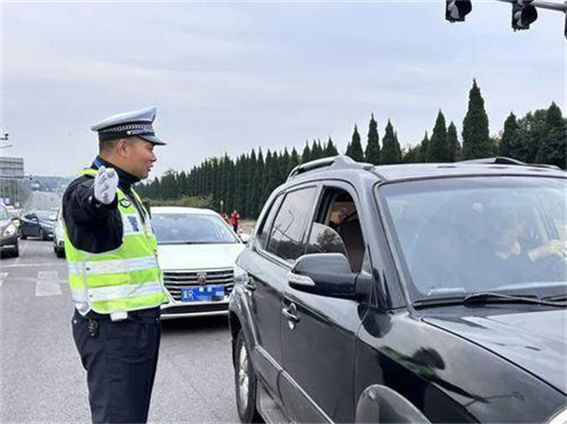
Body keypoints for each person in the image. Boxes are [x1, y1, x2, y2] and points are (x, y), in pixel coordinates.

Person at [62, 106, 169, 424]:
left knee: (132, 417)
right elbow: (87, 209)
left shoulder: (127, 193)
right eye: (149, 147)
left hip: (136, 327)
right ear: (123, 147)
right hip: (112, 330)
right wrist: (98, 200)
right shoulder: (87, 190)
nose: (153, 157)